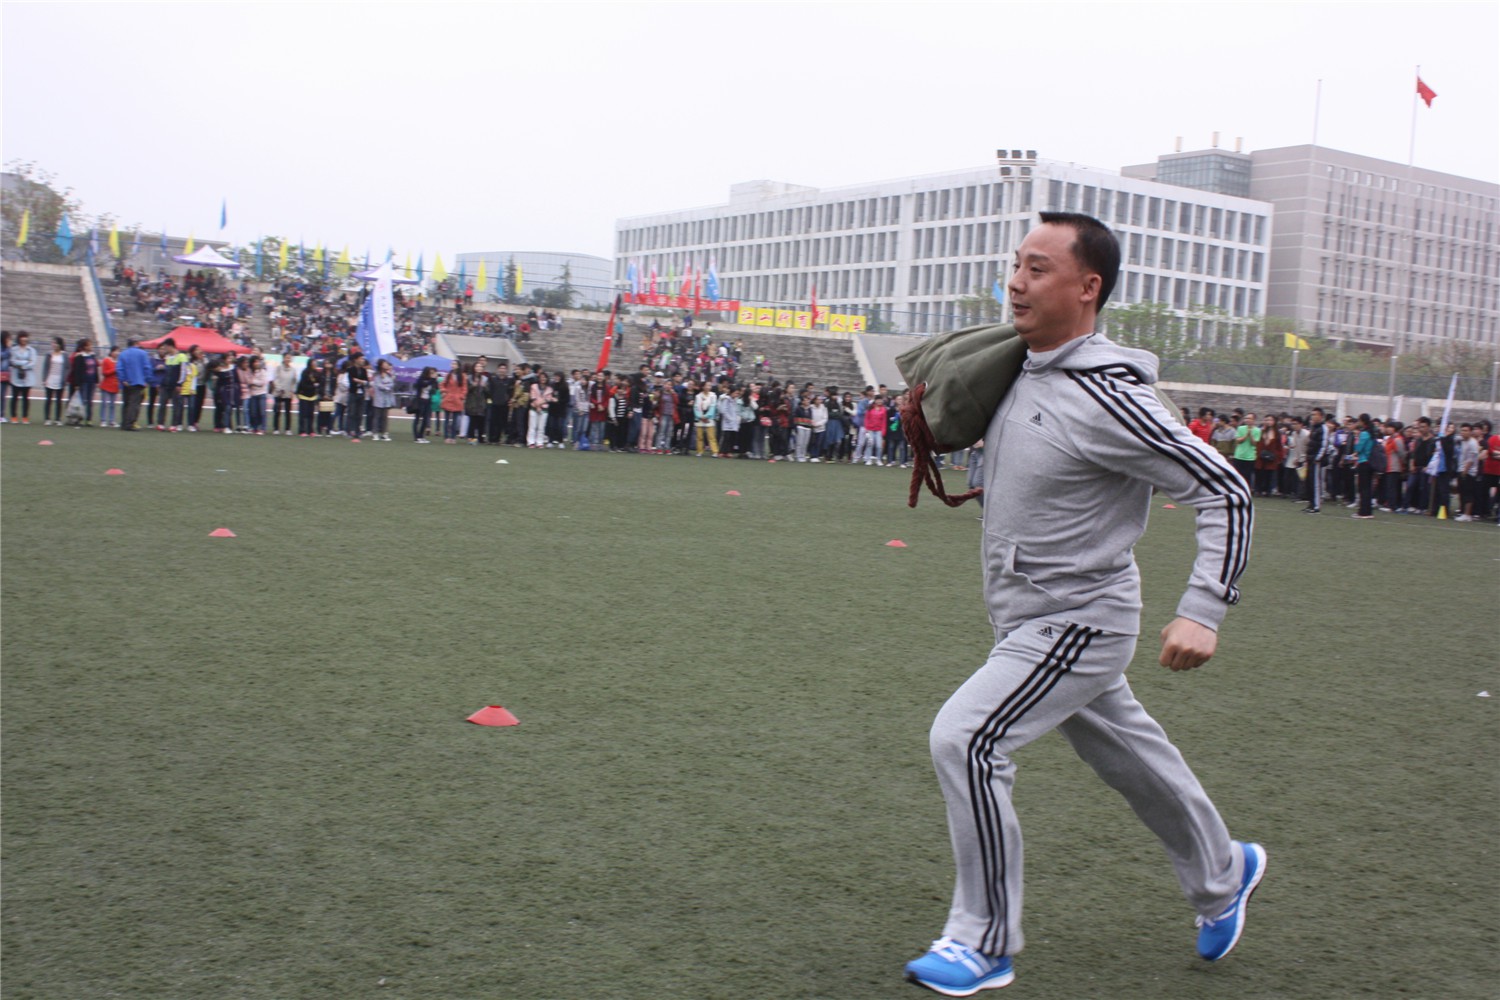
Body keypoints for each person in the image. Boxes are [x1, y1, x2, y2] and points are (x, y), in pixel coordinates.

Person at [904, 213, 1262, 997]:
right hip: (1025, 614)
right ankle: (1224, 871)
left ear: (1088, 287)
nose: (1016, 282)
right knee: (1131, 758)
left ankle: (983, 941)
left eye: (1038, 269)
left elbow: (1226, 489)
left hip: (1078, 621)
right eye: (1016, 265)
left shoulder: (1111, 395)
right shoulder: (1019, 366)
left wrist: (1203, 608)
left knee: (966, 739)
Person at [116, 338, 152, 431]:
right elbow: (147, 367)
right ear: (136, 343)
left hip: (126, 382)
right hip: (138, 381)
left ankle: (124, 423)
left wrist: (123, 379)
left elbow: (119, 368)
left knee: (126, 403)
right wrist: (147, 379)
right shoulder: (143, 353)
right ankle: (130, 423)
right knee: (134, 404)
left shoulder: (123, 353)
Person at [8, 331, 36, 423]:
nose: (24, 339)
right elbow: (12, 361)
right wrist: (25, 362)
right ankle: (13, 417)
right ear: (19, 338)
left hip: (27, 378)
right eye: (22, 337)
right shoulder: (14, 349)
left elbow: (32, 363)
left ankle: (25, 417)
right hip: (15, 377)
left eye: (25, 337)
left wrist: (22, 365)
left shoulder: (31, 350)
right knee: (14, 398)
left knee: (25, 398)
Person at [42, 337, 68, 426]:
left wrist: (65, 378)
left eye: (56, 343)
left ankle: (58, 419)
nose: (54, 345)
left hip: (60, 380)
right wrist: (44, 379)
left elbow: (67, 367)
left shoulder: (64, 355)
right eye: (53, 343)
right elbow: (45, 367)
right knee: (48, 400)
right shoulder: (49, 354)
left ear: (60, 345)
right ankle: (47, 418)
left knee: (59, 400)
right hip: (50, 379)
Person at [369, 358, 396, 441]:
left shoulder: (389, 375)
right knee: (377, 416)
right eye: (385, 364)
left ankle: (385, 433)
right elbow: (377, 385)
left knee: (385, 417)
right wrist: (385, 386)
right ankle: (375, 433)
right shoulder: (377, 375)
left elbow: (392, 384)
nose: (387, 365)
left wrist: (387, 386)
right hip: (378, 397)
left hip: (387, 398)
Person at [98, 345, 121, 427]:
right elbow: (104, 373)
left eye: (118, 351)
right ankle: (103, 420)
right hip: (106, 385)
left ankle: (112, 420)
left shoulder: (118, 362)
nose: (117, 353)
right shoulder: (106, 360)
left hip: (115, 385)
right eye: (116, 351)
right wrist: (114, 370)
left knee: (113, 404)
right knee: (104, 403)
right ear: (111, 352)